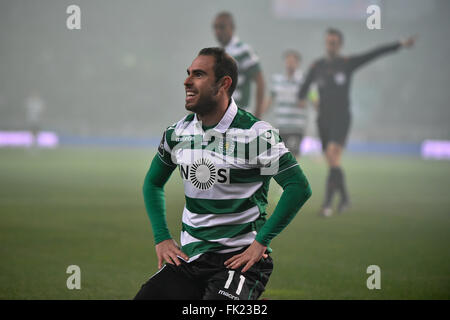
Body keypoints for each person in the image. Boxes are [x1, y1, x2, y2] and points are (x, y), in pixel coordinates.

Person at [134, 47, 311, 300]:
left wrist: (261, 242)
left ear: (223, 84)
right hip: (190, 259)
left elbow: (297, 186)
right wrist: (162, 238)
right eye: (188, 74)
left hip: (239, 263)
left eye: (198, 74)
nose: (187, 81)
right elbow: (153, 183)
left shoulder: (255, 135)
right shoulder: (178, 134)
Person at [298, 28, 416, 217]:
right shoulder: (316, 66)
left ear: (340, 45)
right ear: (326, 44)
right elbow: (304, 87)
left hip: (341, 117)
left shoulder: (347, 63)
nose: (332, 45)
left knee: (332, 154)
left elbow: (374, 53)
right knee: (333, 161)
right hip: (323, 120)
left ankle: (327, 205)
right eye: (329, 42)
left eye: (335, 42)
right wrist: (304, 98)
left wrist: (400, 44)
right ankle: (344, 197)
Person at [261, 50, 318, 157]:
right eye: (288, 61)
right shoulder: (277, 80)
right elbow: (269, 100)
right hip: (281, 125)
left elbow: (313, 97)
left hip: (296, 126)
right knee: (281, 158)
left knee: (293, 158)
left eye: (293, 61)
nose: (290, 64)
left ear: (298, 63)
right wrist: (259, 114)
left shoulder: (305, 81)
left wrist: (315, 105)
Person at [213, 11, 265, 118]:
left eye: (222, 27)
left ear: (232, 27)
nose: (218, 31)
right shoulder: (216, 55)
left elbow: (260, 82)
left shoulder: (243, 51)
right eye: (215, 27)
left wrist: (258, 114)